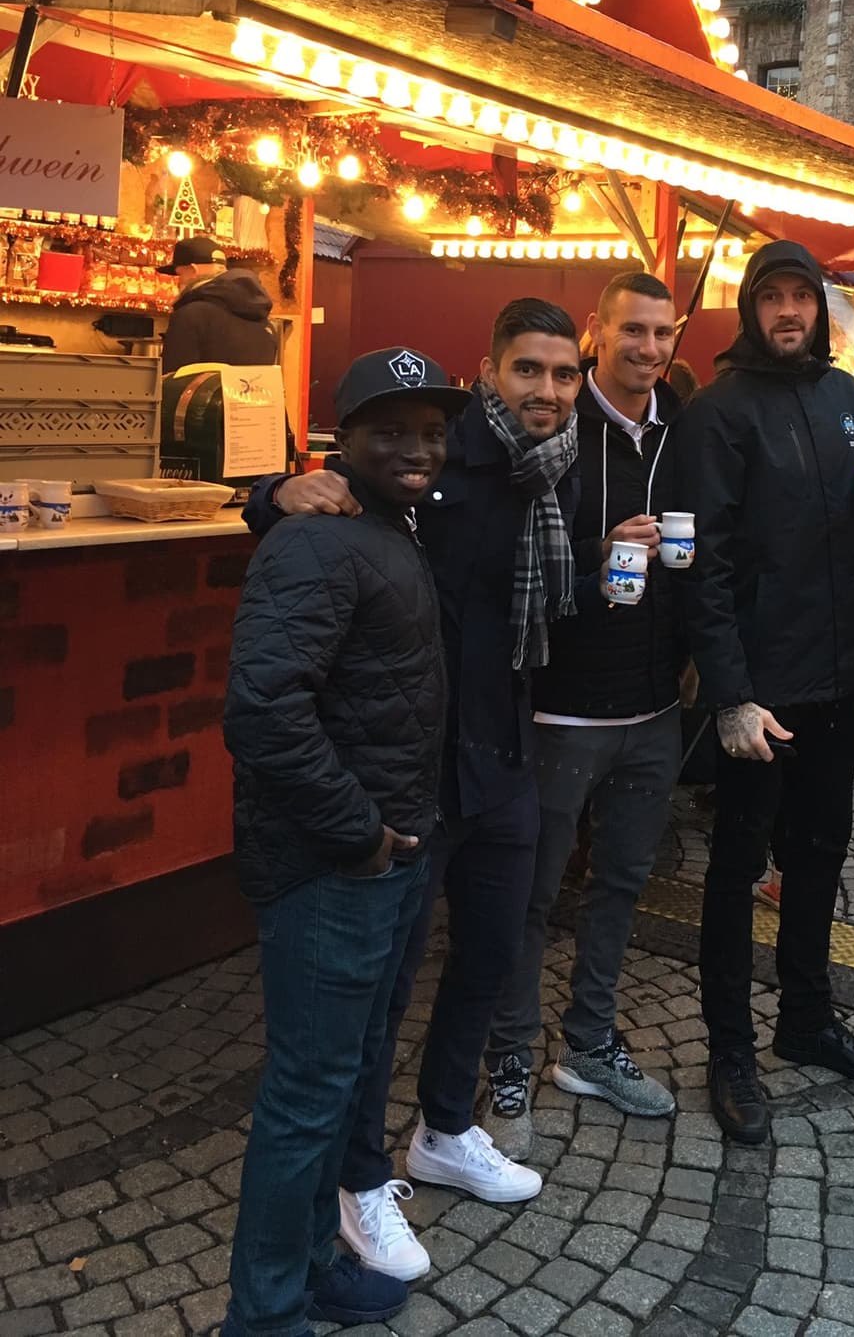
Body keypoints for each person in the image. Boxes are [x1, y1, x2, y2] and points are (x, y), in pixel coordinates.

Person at [244, 299, 582, 1277]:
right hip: (418, 776)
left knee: (488, 959)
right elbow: (331, 508)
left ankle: (442, 1129)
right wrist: (273, 494)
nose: (547, 393)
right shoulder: (435, 465)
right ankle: (357, 1180)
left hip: (505, 757)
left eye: (563, 376)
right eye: (529, 372)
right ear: (492, 370)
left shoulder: (558, 469)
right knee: (379, 995)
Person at [221, 347, 466, 1337]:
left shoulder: (388, 524)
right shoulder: (316, 539)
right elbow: (263, 710)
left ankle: (317, 1267)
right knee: (306, 1093)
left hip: (387, 853)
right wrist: (359, 835)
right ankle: (265, 1313)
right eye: (391, 430)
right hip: (334, 864)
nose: (415, 448)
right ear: (341, 439)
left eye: (431, 433)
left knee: (343, 1073)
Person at [677, 239, 854, 1144]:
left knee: (819, 856)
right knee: (737, 872)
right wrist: (731, 695)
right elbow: (703, 564)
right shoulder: (718, 410)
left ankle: (807, 1019)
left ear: (820, 308)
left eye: (801, 298)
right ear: (751, 309)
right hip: (761, 693)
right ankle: (730, 1051)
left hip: (834, 681)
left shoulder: (847, 398)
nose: (788, 312)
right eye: (772, 297)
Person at [482, 272, 686, 1156]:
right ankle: (508, 1055)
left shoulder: (685, 429)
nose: (647, 348)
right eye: (632, 331)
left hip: (653, 707)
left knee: (622, 882)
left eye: (662, 333)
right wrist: (594, 555)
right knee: (531, 895)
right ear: (599, 335)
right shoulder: (555, 429)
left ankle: (590, 1041)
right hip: (560, 709)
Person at [159, 236, 277, 373]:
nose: (178, 283)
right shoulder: (261, 316)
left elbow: (172, 379)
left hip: (205, 394)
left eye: (179, 275)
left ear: (193, 270)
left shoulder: (190, 315)